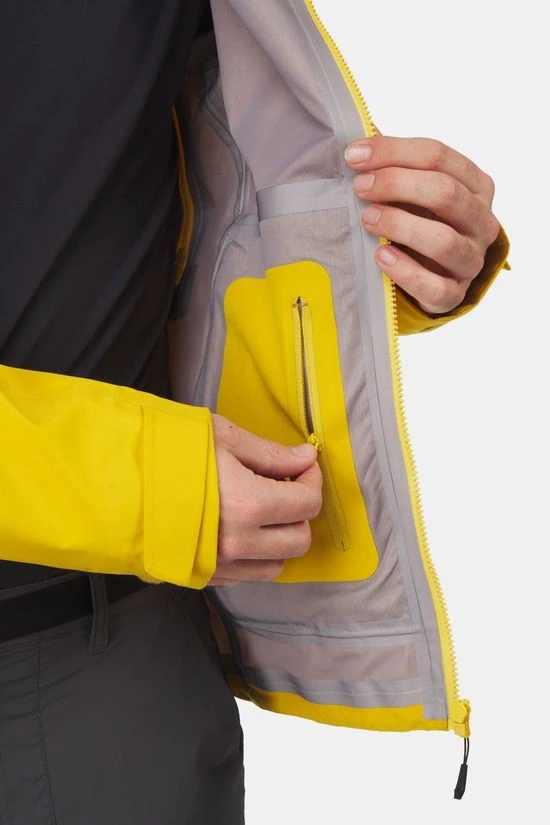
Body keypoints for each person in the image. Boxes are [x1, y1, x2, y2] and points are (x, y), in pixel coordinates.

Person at [0, 2, 509, 823]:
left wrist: (384, 260)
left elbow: (205, 211)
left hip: (127, 664)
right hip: (124, 592)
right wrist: (160, 488)